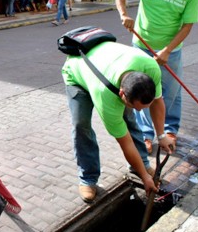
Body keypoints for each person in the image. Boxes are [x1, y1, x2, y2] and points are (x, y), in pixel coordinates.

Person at [62, 40, 173, 202]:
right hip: (78, 74)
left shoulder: (151, 68)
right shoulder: (105, 96)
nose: (140, 111)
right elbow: (125, 143)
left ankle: (140, 163)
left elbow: (157, 102)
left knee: (130, 117)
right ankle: (88, 178)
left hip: (107, 64)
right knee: (81, 125)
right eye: (136, 106)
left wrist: (162, 136)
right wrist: (145, 177)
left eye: (143, 107)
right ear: (122, 94)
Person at [116, 0, 198, 154]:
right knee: (146, 90)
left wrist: (167, 50)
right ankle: (146, 134)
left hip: (171, 48)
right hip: (142, 44)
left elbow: (188, 25)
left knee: (171, 90)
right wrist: (124, 14)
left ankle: (170, 130)